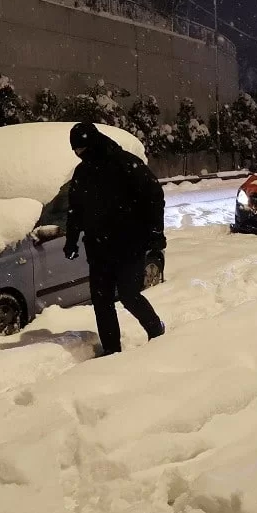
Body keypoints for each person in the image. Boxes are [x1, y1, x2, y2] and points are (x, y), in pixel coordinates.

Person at [64, 122, 166, 356]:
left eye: (80, 149)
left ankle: (156, 329)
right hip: (98, 247)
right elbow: (75, 209)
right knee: (102, 301)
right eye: (75, 151)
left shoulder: (125, 163)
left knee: (129, 295)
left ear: (92, 143)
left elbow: (154, 196)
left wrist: (155, 234)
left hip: (130, 244)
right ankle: (111, 351)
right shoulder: (83, 172)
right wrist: (71, 239)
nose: (78, 154)